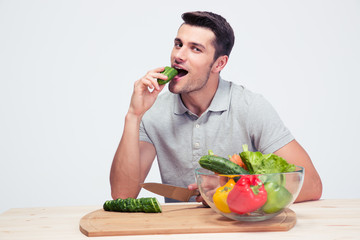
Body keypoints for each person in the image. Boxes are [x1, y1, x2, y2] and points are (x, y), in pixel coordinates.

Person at [110, 11, 322, 204]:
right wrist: (134, 114)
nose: (179, 56)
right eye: (178, 44)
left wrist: (229, 190)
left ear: (219, 64)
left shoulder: (250, 107)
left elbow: (311, 186)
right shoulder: (153, 112)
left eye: (195, 49)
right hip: (178, 230)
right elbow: (122, 194)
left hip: (241, 229)